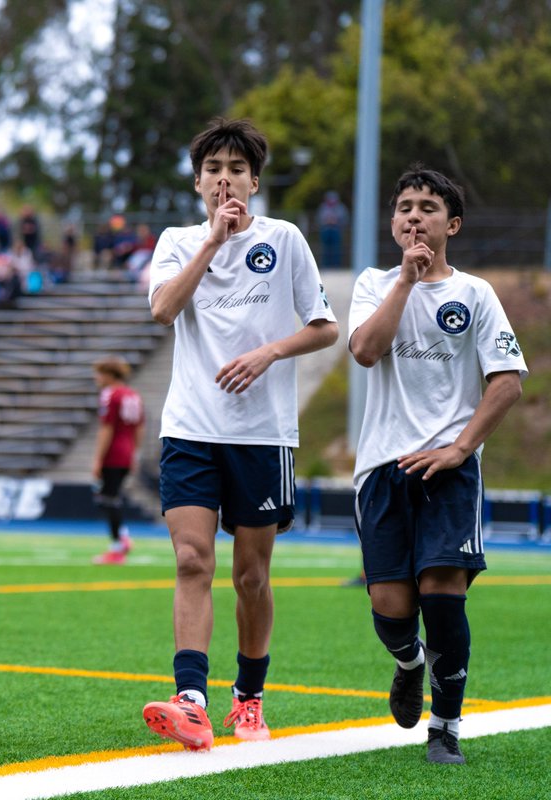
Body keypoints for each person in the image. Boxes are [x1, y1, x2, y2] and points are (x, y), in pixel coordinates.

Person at [142, 118, 339, 750]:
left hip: (261, 434)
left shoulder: (285, 240)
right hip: (191, 428)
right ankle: (191, 700)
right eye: (213, 169)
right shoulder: (176, 241)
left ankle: (248, 699)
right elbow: (163, 309)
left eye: (236, 169)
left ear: (254, 180)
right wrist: (211, 245)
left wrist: (268, 353)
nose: (224, 179)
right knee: (192, 558)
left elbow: (324, 326)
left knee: (251, 577)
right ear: (198, 180)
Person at [348, 165, 526, 765]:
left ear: (451, 224)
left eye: (427, 207)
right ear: (393, 222)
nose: (414, 216)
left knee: (443, 597)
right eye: (404, 207)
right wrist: (405, 282)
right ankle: (408, 663)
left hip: (449, 472)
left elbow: (506, 383)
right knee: (391, 611)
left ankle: (445, 726)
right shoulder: (374, 283)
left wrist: (459, 448)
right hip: (382, 469)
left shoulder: (475, 293)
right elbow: (367, 352)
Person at [90, 357, 145, 565]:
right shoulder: (133, 395)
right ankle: (122, 538)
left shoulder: (110, 395)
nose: (96, 378)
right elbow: (140, 427)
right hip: (127, 452)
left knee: (108, 499)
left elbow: (107, 428)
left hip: (113, 454)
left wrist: (97, 459)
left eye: (99, 373)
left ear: (109, 375)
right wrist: (135, 453)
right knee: (110, 497)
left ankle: (117, 547)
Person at [317, 190, 349, 269]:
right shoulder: (323, 207)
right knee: (325, 249)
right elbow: (319, 219)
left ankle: (336, 266)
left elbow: (345, 219)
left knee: (336, 249)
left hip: (336, 230)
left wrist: (336, 221)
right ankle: (326, 266)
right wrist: (327, 221)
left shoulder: (341, 207)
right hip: (326, 230)